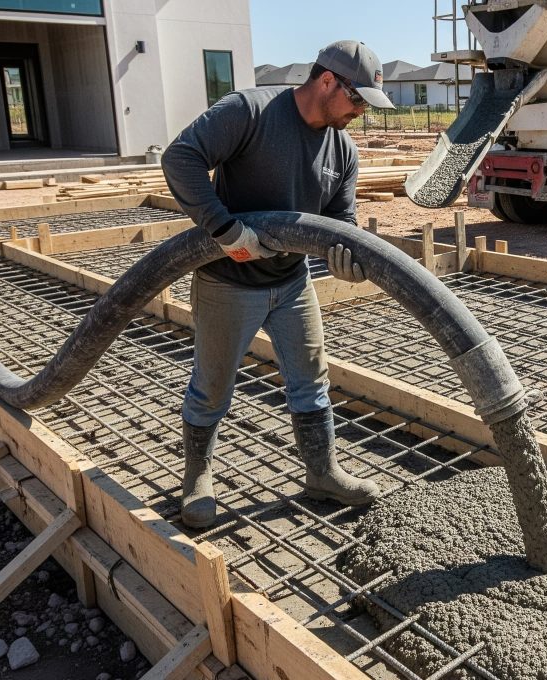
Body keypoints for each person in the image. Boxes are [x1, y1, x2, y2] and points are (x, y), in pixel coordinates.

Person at [161, 40, 395, 528]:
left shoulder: (342, 149)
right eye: (357, 101)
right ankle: (197, 480)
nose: (359, 114)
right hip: (228, 282)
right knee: (211, 390)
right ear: (327, 81)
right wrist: (226, 231)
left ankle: (323, 473)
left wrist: (345, 262)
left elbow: (339, 226)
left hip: (291, 282)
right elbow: (180, 158)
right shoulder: (250, 111)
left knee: (311, 382)